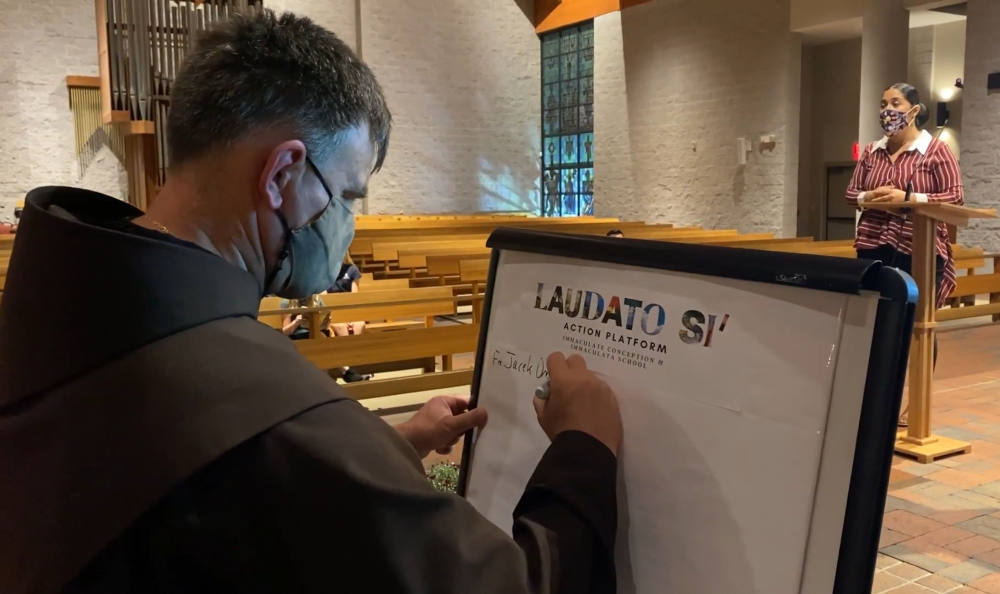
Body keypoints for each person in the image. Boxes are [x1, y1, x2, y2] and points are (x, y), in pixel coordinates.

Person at [0, 10, 622, 594]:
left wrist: (391, 444)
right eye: (348, 194)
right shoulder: (266, 404)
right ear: (281, 174)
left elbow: (208, 500)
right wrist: (583, 447)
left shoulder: (61, 301)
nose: (347, 223)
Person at [845, 82, 964, 424]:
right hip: (874, 246)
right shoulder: (872, 152)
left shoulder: (936, 151)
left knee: (918, 325)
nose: (887, 110)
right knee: (878, 323)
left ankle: (917, 406)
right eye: (883, 103)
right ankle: (881, 402)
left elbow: (954, 198)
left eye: (895, 102)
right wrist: (874, 197)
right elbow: (853, 193)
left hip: (919, 248)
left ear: (913, 109)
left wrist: (908, 200)